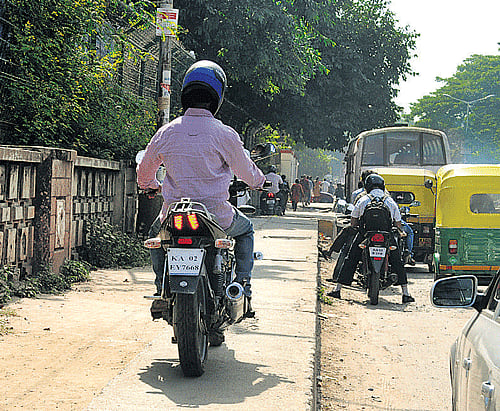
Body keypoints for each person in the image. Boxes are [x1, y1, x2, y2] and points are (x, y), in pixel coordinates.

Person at [136, 60, 266, 315]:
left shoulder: (166, 132)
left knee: (157, 236)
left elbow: (144, 172)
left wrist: (151, 186)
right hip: (216, 215)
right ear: (217, 96)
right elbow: (248, 173)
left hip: (173, 213)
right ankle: (242, 287)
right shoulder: (224, 134)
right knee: (246, 230)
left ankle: (162, 289)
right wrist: (261, 183)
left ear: (185, 92)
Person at [328, 174, 415, 304]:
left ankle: (337, 289)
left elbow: (353, 222)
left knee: (351, 258)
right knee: (397, 261)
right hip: (386, 237)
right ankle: (405, 294)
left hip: (365, 236)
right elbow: (398, 223)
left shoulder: (363, 200)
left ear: (367, 186)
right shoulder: (390, 201)